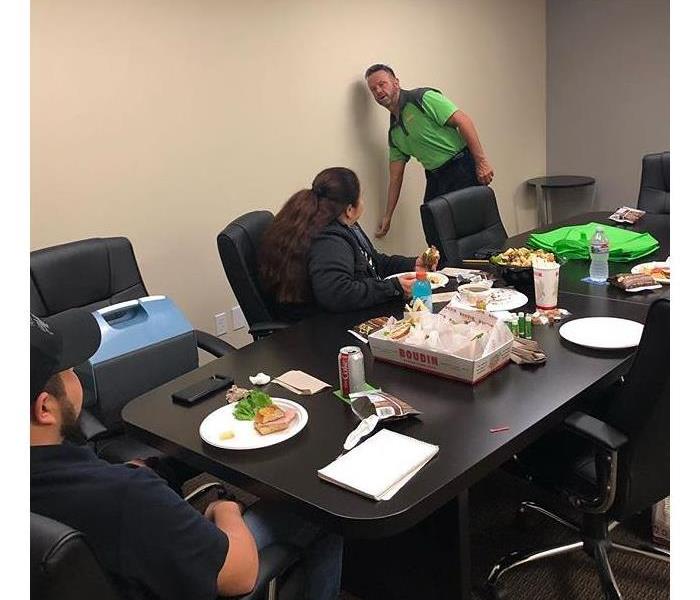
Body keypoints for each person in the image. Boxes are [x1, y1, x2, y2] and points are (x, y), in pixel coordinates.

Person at [30, 309, 343, 600]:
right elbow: (241, 574)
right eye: (68, 369)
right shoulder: (126, 496)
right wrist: (224, 508)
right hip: (197, 573)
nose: (77, 374)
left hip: (118, 559)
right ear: (45, 407)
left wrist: (136, 473)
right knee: (321, 513)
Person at [258, 167, 438, 318]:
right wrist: (394, 287)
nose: (363, 202)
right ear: (350, 209)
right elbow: (337, 293)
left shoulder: (344, 224)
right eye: (361, 197)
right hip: (323, 328)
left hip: (343, 314)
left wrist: (413, 263)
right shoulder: (328, 240)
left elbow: (373, 262)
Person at [364, 63, 495, 238]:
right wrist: (388, 216)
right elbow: (395, 177)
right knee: (434, 228)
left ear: (396, 82)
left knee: (471, 229)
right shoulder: (394, 133)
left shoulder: (422, 98)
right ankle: (443, 265)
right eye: (373, 89)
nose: (378, 91)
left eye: (382, 84)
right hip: (435, 176)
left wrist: (482, 162)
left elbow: (464, 121)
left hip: (461, 166)